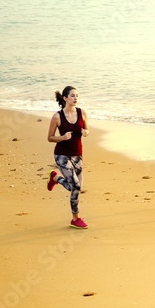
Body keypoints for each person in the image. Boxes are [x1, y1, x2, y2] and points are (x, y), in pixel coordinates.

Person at [46, 86, 89, 229]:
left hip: (77, 154)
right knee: (76, 186)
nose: (75, 98)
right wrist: (63, 137)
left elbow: (87, 129)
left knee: (77, 187)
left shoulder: (82, 112)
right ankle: (75, 218)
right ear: (65, 98)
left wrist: (85, 132)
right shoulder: (57, 116)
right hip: (61, 155)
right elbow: (50, 138)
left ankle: (56, 178)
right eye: (72, 95)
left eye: (77, 95)